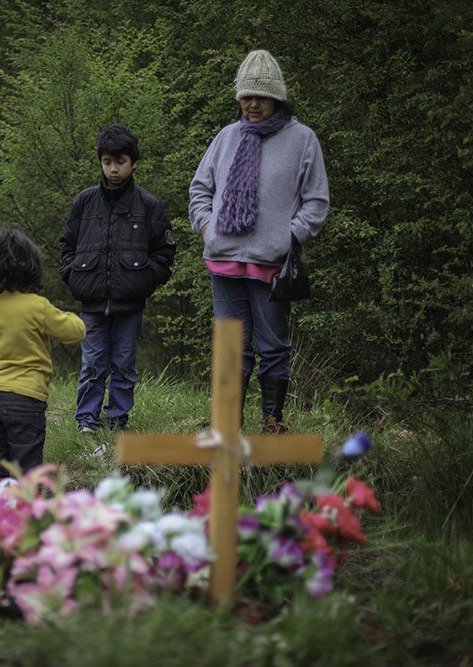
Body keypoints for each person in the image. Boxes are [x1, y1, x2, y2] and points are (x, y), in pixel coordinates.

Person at [188, 50, 329, 433]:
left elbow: (317, 203)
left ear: (277, 98)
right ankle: (227, 426)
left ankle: (272, 422)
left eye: (260, 96)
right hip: (224, 263)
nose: (252, 104)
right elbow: (200, 189)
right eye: (246, 96)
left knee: (273, 348)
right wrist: (207, 228)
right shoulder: (226, 137)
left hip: (273, 266)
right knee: (232, 350)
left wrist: (288, 238)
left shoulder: (302, 140)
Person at [59, 125, 176, 433]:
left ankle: (117, 421)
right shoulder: (83, 203)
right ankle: (87, 421)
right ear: (100, 161)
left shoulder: (150, 206)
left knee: (124, 365)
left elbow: (164, 252)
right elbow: (67, 245)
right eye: (107, 161)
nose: (113, 168)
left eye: (120, 161)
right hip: (92, 301)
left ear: (133, 163)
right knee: (93, 364)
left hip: (130, 303)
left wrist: (146, 280)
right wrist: (73, 276)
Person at [0, 228, 86, 479]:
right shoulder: (36, 306)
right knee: (28, 475)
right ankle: (29, 516)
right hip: (24, 398)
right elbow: (75, 333)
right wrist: (71, 315)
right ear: (28, 267)